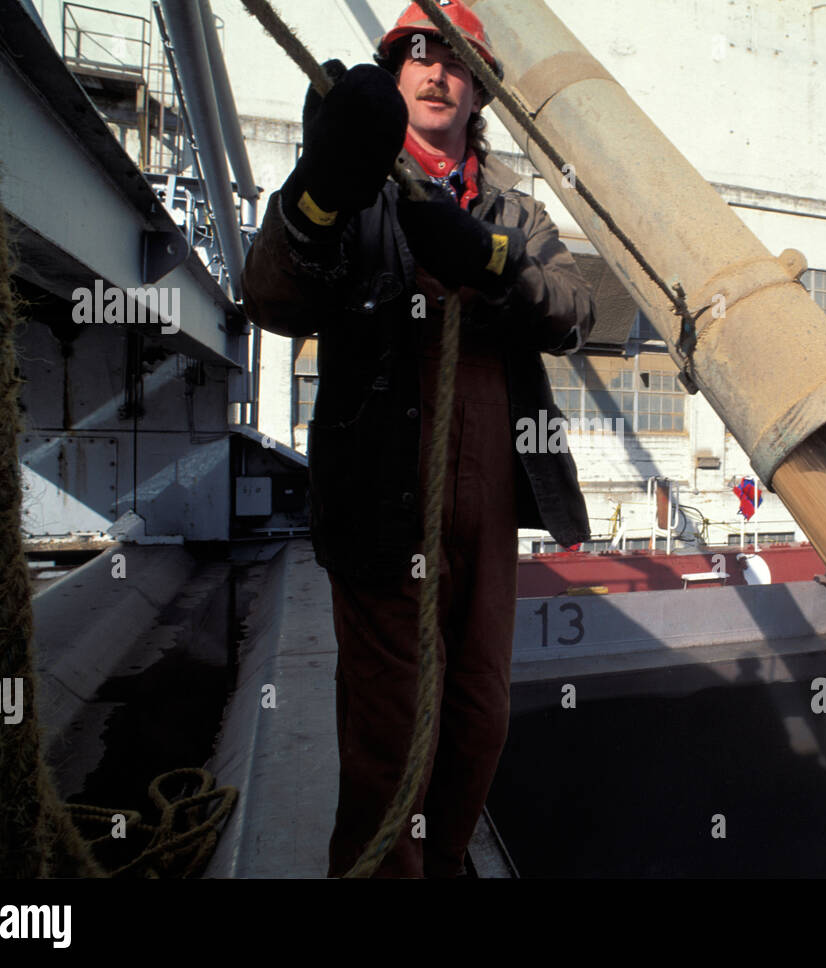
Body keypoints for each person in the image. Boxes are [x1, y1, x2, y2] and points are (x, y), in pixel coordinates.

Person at [241, 0, 595, 877]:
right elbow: (270, 297)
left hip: (489, 503)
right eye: (418, 55)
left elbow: (579, 309)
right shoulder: (359, 191)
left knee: (478, 717)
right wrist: (319, 196)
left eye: (455, 62)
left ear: (477, 93)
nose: (437, 72)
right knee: (392, 729)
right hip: (382, 497)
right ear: (395, 76)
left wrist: (492, 260)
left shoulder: (515, 212)